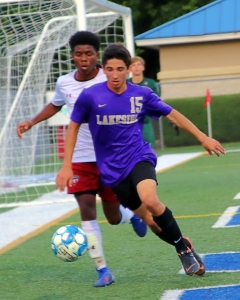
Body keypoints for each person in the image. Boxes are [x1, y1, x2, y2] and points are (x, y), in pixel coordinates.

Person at [55, 43, 226, 277]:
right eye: (110, 69)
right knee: (152, 222)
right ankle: (184, 243)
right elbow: (73, 127)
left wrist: (203, 137)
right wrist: (67, 166)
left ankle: (181, 249)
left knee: (151, 200)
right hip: (112, 171)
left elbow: (172, 113)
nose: (115, 75)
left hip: (139, 157)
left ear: (128, 70)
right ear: (103, 69)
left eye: (120, 69)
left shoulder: (141, 94)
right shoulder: (90, 96)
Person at [16, 32, 148, 288]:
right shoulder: (64, 83)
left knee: (111, 216)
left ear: (97, 55)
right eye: (78, 53)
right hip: (79, 158)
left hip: (109, 157)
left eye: (89, 53)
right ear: (72, 56)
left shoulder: (108, 76)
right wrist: (32, 121)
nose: (84, 58)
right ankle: (103, 270)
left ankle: (130, 214)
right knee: (87, 209)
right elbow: (55, 105)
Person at [128, 56, 159, 148]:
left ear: (143, 67)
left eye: (138, 64)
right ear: (129, 68)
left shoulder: (150, 83)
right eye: (133, 65)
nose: (136, 67)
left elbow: (157, 101)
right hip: (130, 123)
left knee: (149, 151)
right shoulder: (126, 84)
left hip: (145, 121)